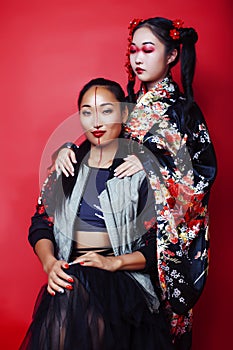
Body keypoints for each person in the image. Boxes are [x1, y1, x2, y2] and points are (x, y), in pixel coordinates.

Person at [54, 17, 217, 349]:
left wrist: (150, 165)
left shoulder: (183, 111)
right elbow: (102, 136)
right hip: (119, 234)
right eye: (133, 50)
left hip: (154, 247)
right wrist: (67, 148)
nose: (138, 58)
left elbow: (201, 175)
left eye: (148, 49)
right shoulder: (132, 104)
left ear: (172, 56)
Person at [19, 78, 174, 350]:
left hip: (124, 281)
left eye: (106, 110)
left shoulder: (139, 168)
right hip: (73, 274)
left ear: (124, 113)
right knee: (72, 288)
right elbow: (41, 224)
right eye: (87, 113)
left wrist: (113, 263)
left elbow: (160, 244)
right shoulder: (68, 164)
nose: (96, 122)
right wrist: (50, 264)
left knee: (78, 298)